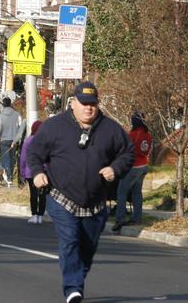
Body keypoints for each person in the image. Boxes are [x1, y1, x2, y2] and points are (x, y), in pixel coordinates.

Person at [27, 82, 134, 303]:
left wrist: (115, 169)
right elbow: (34, 153)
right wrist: (37, 173)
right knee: (70, 240)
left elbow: (127, 154)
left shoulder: (110, 129)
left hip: (95, 201)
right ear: (73, 103)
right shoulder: (54, 126)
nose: (88, 108)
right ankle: (73, 289)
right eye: (84, 103)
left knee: (87, 246)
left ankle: (77, 277)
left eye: (93, 104)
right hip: (61, 196)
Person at [112, 112, 153, 231]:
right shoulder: (148, 135)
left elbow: (126, 151)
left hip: (133, 166)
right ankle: (137, 217)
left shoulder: (133, 134)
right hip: (144, 165)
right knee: (137, 192)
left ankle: (119, 219)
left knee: (121, 192)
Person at [20, 120, 45, 224]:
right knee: (42, 195)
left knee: (33, 194)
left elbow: (23, 158)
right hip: (44, 172)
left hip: (30, 172)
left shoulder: (28, 141)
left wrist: (22, 172)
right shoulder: (46, 141)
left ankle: (34, 214)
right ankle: (40, 216)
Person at [0, 96, 22, 184]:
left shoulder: (0, 116)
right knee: (12, 159)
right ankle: (10, 177)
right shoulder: (17, 114)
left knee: (5, 159)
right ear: (10, 104)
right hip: (14, 140)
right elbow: (21, 128)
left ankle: (7, 178)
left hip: (4, 140)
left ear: (3, 105)